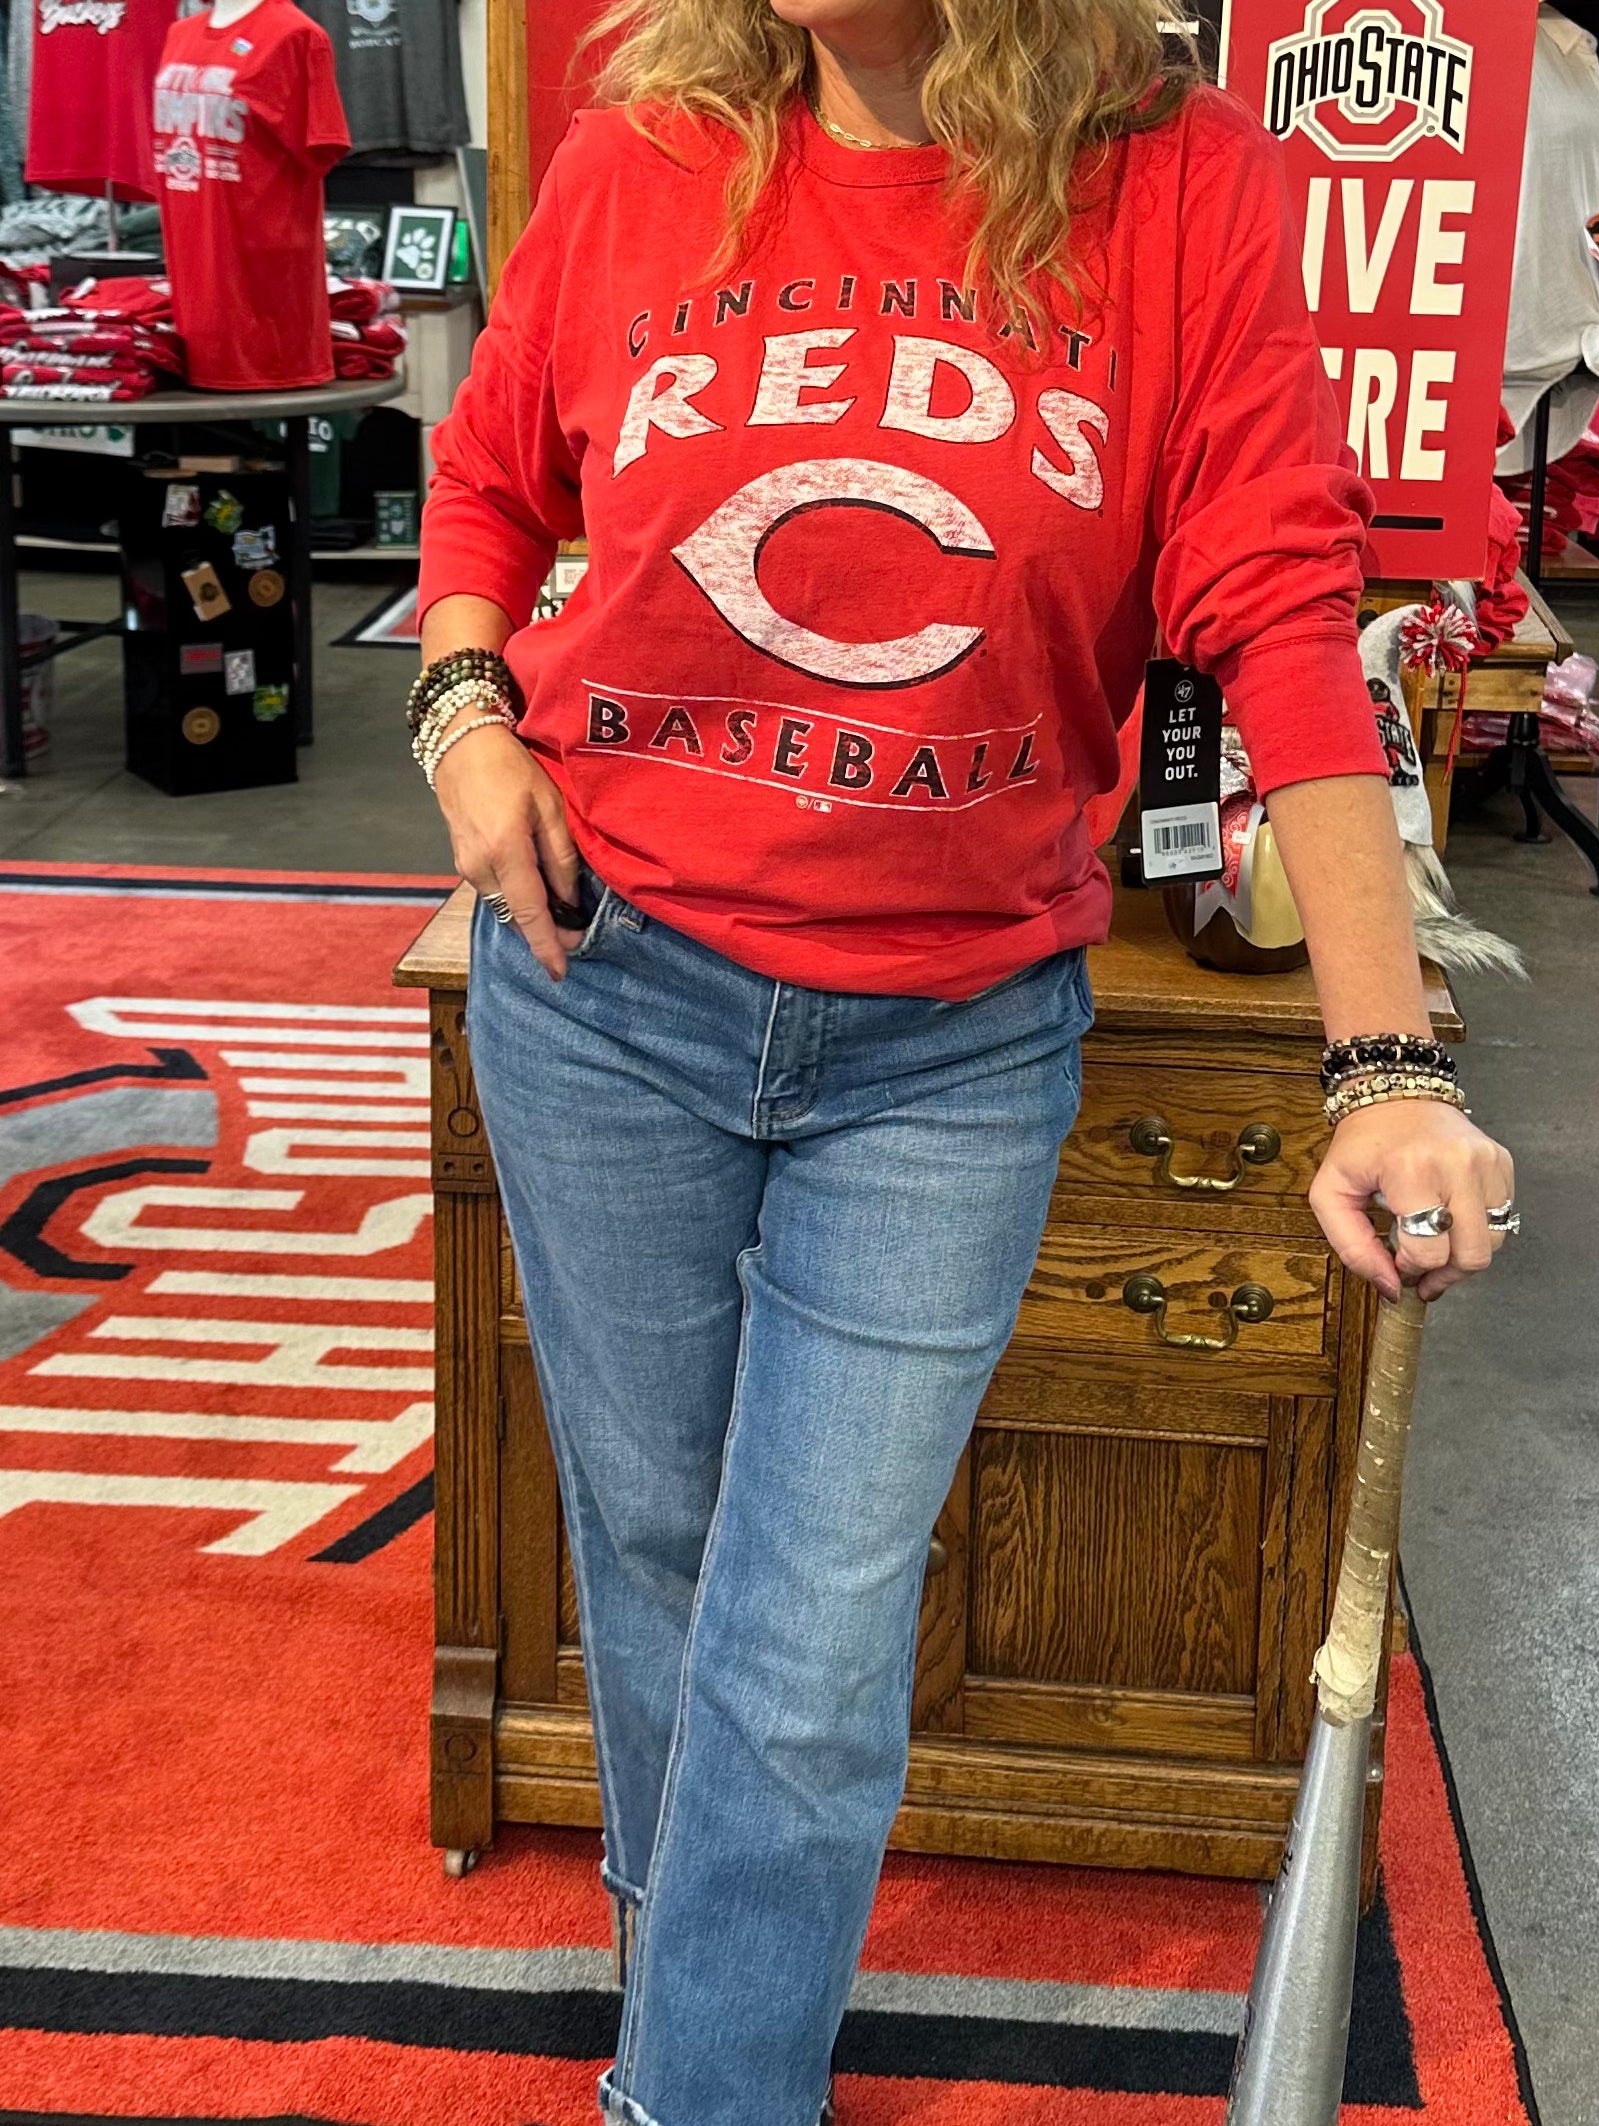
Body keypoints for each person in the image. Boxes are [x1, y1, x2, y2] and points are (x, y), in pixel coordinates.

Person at [412, 3, 1517, 2119]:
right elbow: (482, 485)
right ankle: (700, 2011)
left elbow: (1282, 616)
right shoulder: (647, 144)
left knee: (804, 1651)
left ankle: (691, 2091)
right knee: (655, 1565)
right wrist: (463, 719)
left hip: (941, 1044)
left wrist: (1380, 1051)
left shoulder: (1174, 179)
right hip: (601, 979)